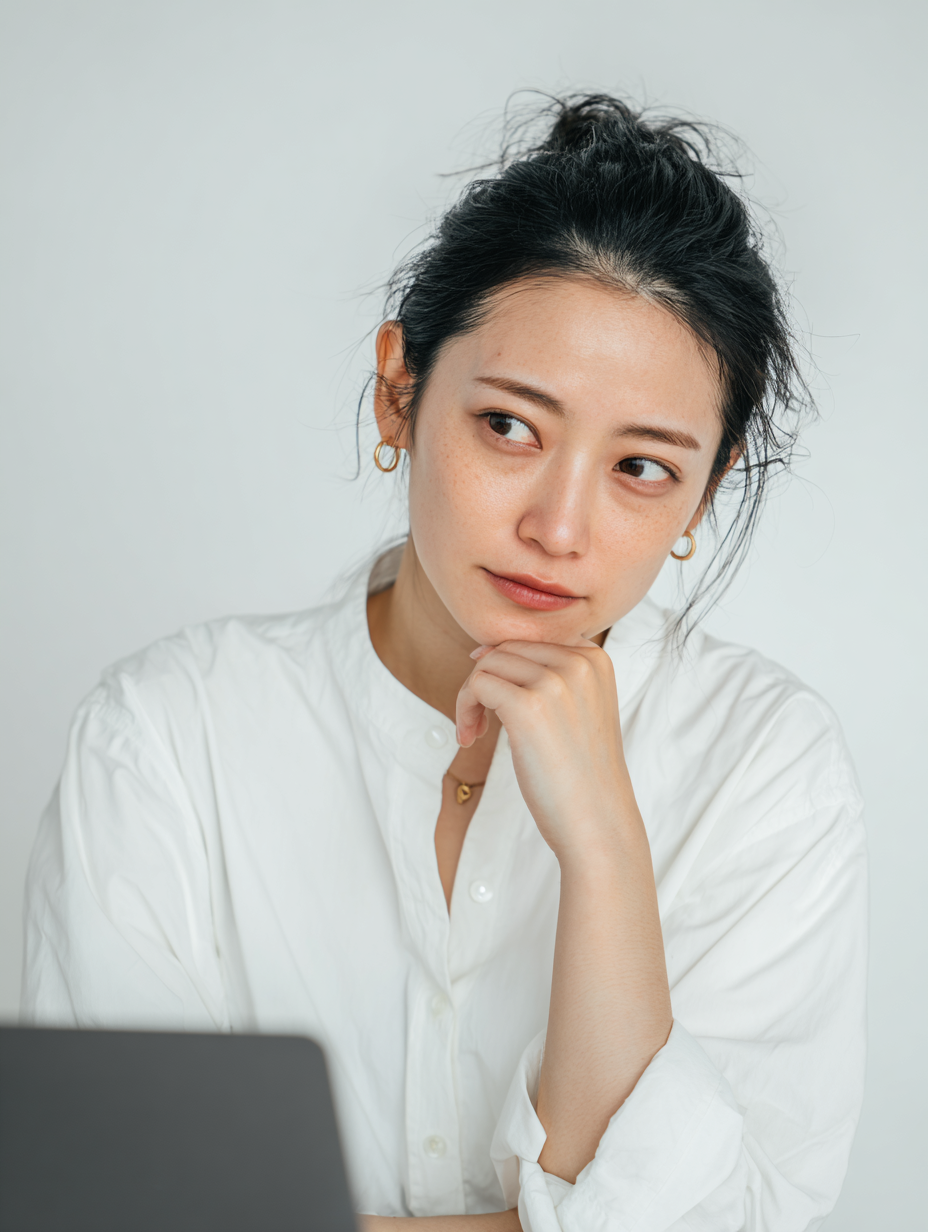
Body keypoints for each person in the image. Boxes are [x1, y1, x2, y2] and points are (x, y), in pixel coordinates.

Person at [21, 95, 866, 1231]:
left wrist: (606, 850)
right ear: (400, 389)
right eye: (511, 426)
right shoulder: (171, 735)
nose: (559, 527)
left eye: (642, 468)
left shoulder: (764, 764)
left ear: (700, 497)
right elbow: (112, 1205)